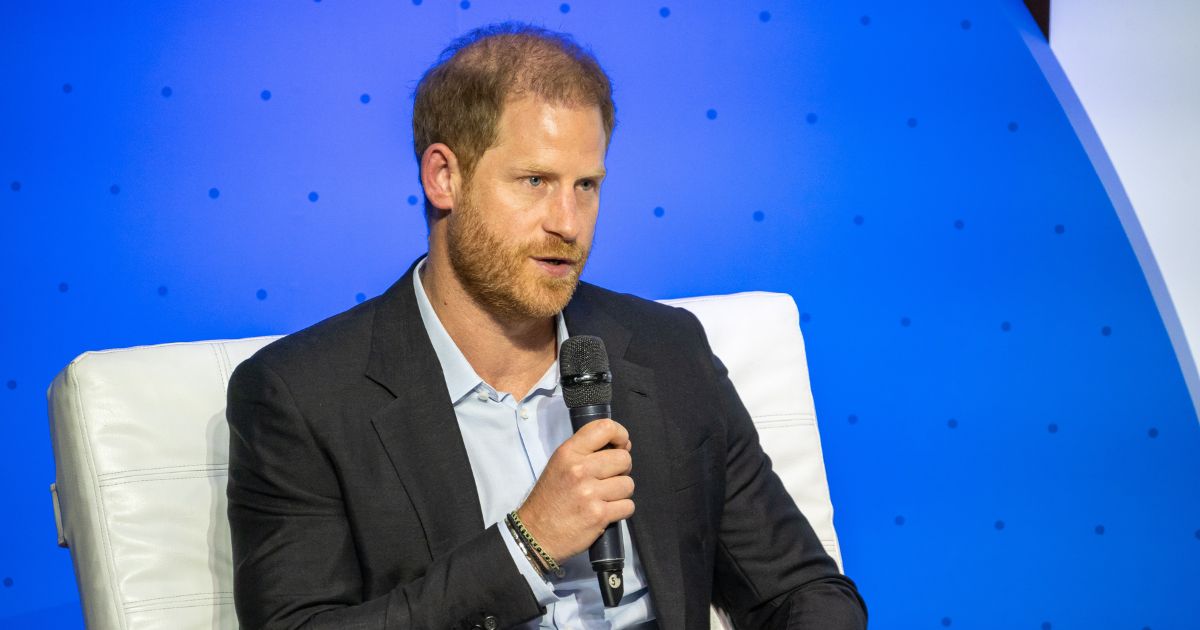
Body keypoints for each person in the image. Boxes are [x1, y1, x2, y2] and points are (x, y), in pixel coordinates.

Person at [226, 22, 867, 630]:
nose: (569, 222)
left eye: (586, 185)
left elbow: (802, 591)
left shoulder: (668, 351)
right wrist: (527, 544)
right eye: (535, 181)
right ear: (443, 176)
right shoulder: (301, 397)